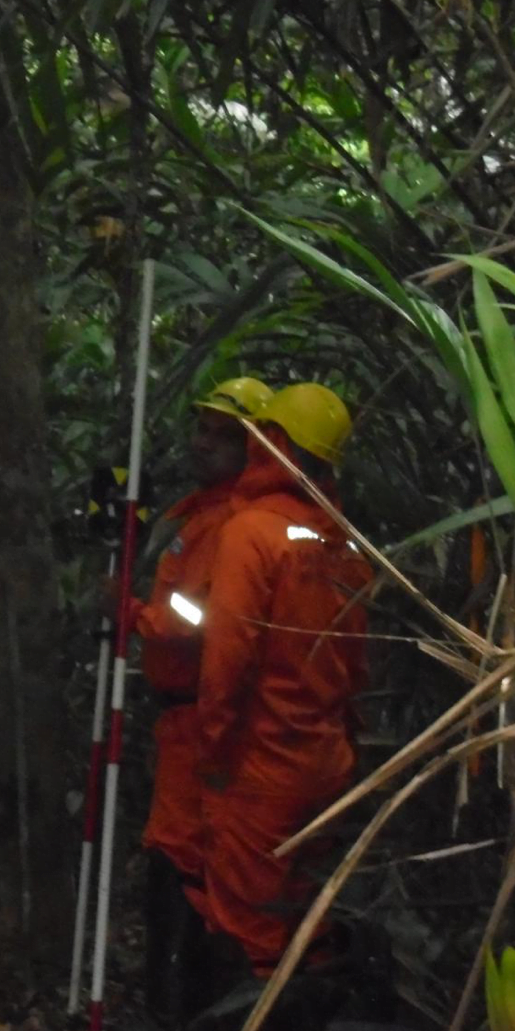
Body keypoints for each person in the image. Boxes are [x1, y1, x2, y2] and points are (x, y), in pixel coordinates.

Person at [191, 383, 372, 975]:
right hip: (327, 766)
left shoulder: (254, 534)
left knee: (250, 933)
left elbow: (227, 660)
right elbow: (359, 662)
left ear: (275, 442)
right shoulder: (343, 542)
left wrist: (214, 752)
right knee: (308, 920)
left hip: (262, 770)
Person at [116, 377, 273, 1021]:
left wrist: (132, 613)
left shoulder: (237, 524)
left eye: (222, 434)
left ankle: (183, 1014)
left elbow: (201, 618)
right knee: (174, 855)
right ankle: (174, 1008)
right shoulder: (200, 511)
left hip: (202, 717)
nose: (203, 443)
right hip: (178, 716)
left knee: (185, 861)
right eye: (202, 429)